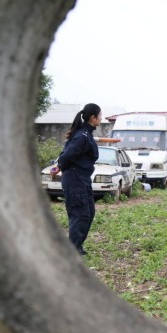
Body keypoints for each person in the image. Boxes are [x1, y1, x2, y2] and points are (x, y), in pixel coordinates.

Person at [53, 103, 102, 255]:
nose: (101, 118)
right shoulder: (82, 136)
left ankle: (77, 246)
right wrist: (59, 166)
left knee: (89, 213)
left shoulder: (85, 134)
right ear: (93, 118)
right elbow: (67, 155)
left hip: (83, 179)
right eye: (100, 115)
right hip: (75, 179)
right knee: (79, 215)